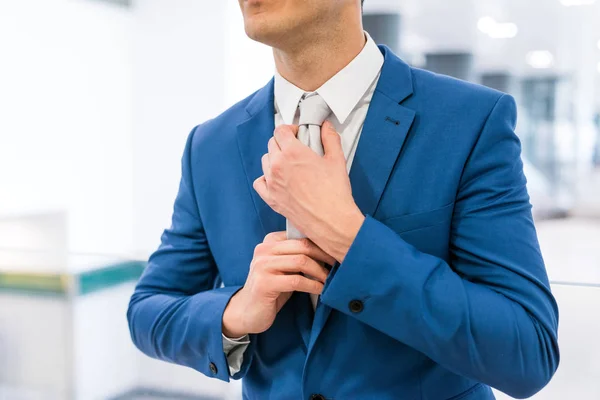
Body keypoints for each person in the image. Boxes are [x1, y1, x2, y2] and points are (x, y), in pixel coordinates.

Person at [127, 1, 560, 399]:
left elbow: (527, 350)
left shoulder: (470, 122)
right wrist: (235, 312)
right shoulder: (210, 145)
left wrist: (350, 238)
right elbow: (148, 310)